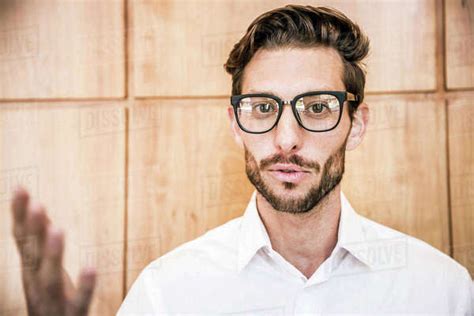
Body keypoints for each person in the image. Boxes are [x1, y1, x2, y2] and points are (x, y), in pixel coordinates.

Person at [10, 4, 473, 315]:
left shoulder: (441, 291)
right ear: (235, 124)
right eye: (263, 108)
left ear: (357, 124)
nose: (286, 139)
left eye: (317, 108)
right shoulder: (168, 294)